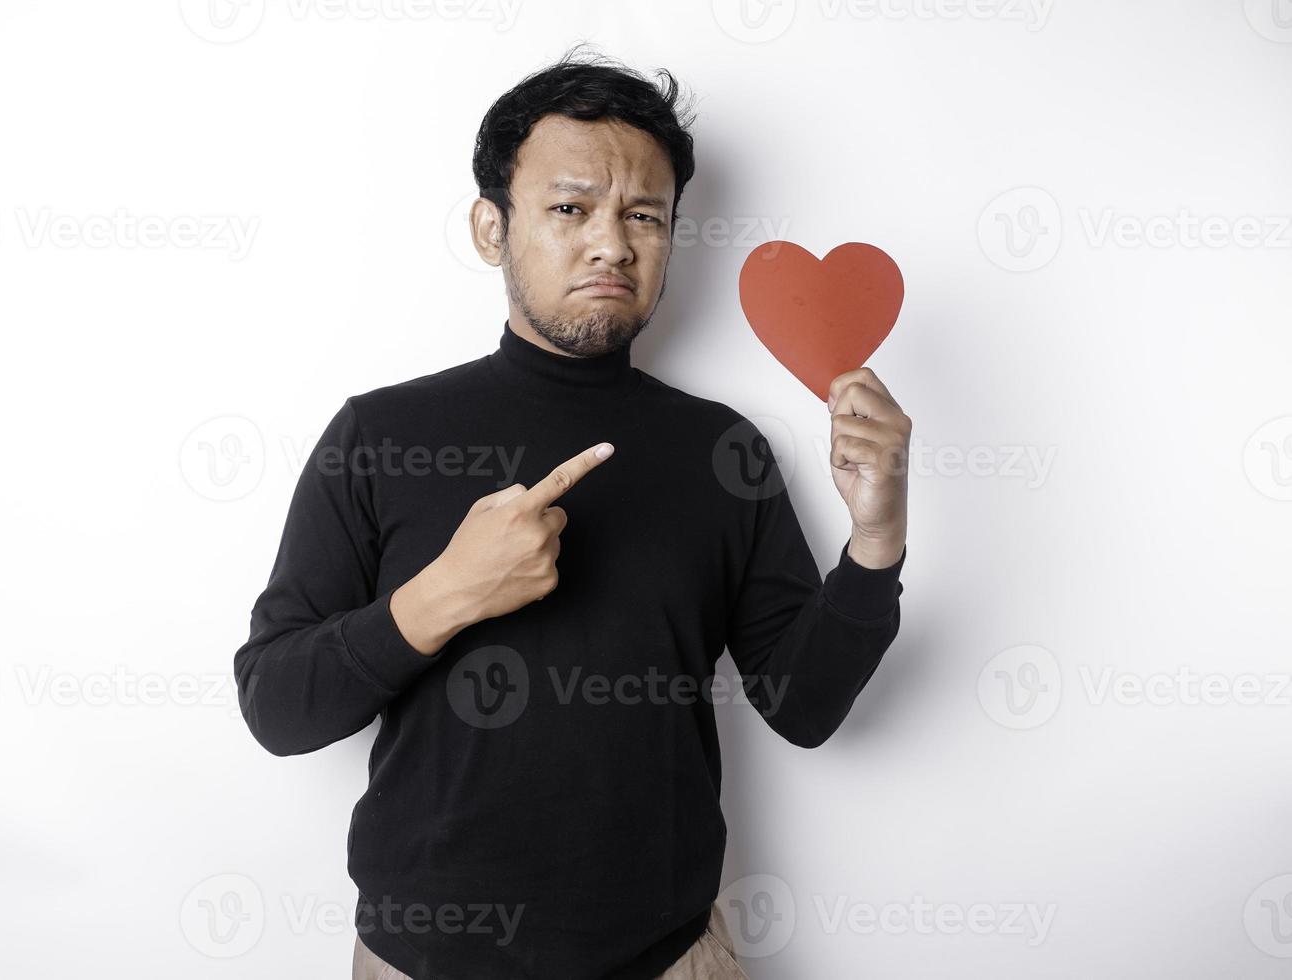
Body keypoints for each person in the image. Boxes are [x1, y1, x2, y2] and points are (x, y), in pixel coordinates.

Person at [233, 44, 911, 980]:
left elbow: (802, 709)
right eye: (568, 208)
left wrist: (875, 543)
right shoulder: (380, 435)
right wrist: (447, 595)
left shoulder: (724, 450)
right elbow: (276, 707)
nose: (612, 243)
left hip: (669, 959)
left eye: (645, 215)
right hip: (420, 961)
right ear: (489, 226)